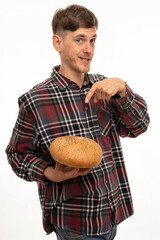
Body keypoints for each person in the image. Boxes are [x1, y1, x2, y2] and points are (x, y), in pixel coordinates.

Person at [6, 4, 150, 240]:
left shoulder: (104, 88)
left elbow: (139, 126)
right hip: (76, 223)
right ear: (58, 43)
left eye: (93, 40)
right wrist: (51, 173)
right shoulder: (36, 100)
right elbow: (16, 155)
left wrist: (123, 91)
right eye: (80, 40)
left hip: (112, 214)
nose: (89, 49)